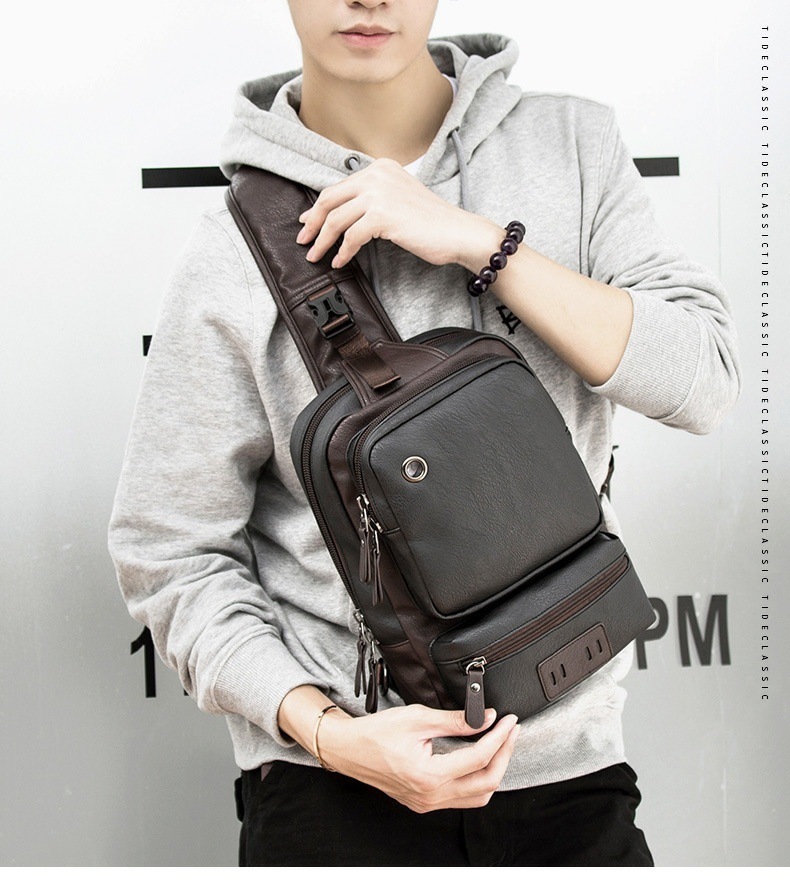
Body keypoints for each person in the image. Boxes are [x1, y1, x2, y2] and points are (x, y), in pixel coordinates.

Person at [108, 0, 741, 867]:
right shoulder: (236, 243)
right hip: (331, 792)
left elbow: (703, 381)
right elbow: (169, 548)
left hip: (570, 779)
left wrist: (483, 245)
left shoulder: (571, 146)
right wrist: (328, 733)